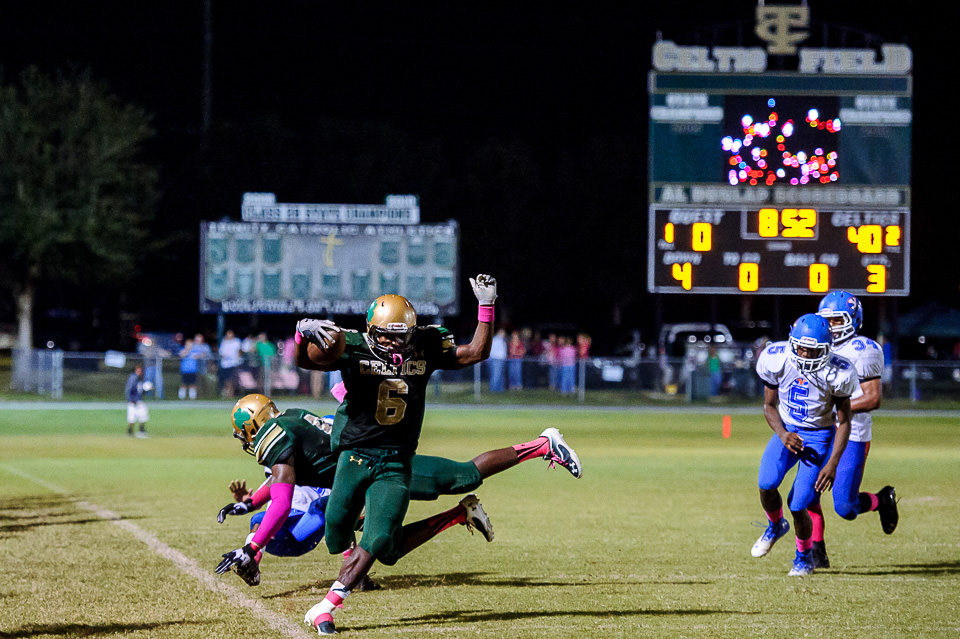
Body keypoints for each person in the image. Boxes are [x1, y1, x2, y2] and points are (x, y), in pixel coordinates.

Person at [291, 274, 571, 635]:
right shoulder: (351, 344)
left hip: (396, 460)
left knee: (378, 541)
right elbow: (306, 361)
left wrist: (486, 307)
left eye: (401, 333)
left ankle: (327, 607)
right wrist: (301, 333)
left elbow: (476, 352)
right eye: (387, 334)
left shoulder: (425, 343)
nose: (395, 341)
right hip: (354, 455)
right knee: (335, 535)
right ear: (372, 332)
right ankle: (374, 545)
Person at [214, 393, 582, 594]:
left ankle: (542, 444)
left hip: (382, 466)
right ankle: (459, 514)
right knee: (385, 549)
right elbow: (282, 486)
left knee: (465, 475)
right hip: (368, 474)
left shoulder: (272, 438)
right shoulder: (292, 416)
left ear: (251, 427)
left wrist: (252, 548)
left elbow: (281, 499)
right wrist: (248, 505)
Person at [752, 313, 857, 576]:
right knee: (766, 483)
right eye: (801, 348)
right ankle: (776, 525)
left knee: (799, 503)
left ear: (826, 349)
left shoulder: (839, 372)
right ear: (791, 342)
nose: (806, 355)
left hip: (819, 436)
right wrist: (782, 433)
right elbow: (768, 406)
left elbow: (844, 423)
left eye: (813, 350)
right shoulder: (776, 358)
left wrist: (832, 463)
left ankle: (804, 557)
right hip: (787, 430)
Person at [807, 291, 899, 569]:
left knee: (845, 508)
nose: (831, 326)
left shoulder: (864, 349)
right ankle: (816, 550)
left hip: (853, 433)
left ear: (852, 320)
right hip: (820, 430)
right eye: (827, 320)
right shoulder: (816, 345)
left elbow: (872, 398)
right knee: (806, 492)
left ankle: (881, 500)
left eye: (836, 320)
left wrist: (835, 410)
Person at [125, 364, 149, 438]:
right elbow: (129, 390)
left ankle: (141, 431)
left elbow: (140, 391)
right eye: (138, 370)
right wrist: (131, 399)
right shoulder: (133, 378)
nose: (139, 372)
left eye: (140, 370)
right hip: (133, 401)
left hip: (139, 400)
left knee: (143, 416)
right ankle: (130, 432)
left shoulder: (140, 379)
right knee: (132, 418)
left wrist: (146, 389)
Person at [218, 329, 243, 398]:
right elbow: (221, 352)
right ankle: (227, 394)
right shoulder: (224, 342)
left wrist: (238, 360)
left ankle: (231, 394)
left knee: (231, 380)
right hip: (225, 364)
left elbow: (239, 351)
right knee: (226, 380)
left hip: (233, 364)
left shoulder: (236, 341)